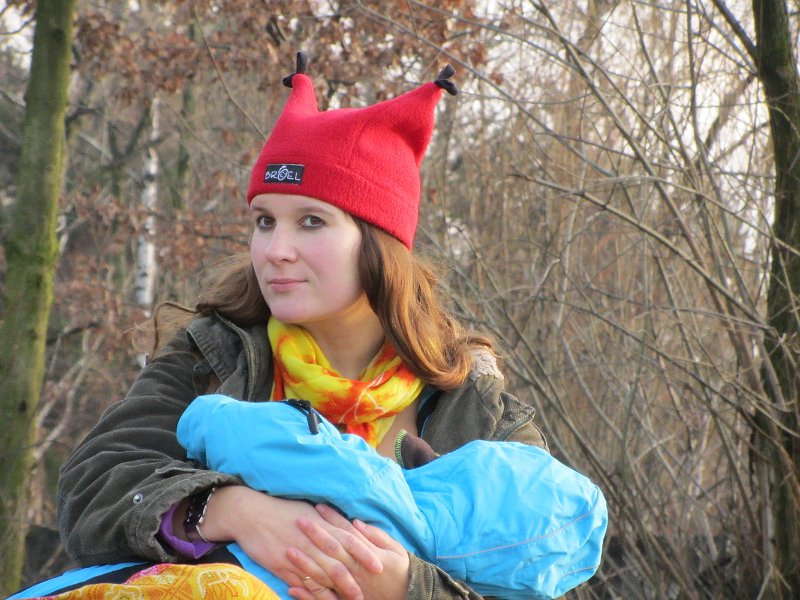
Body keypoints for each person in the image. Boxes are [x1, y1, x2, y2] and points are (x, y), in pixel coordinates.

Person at [46, 52, 596, 600]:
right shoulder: (212, 357)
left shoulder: (473, 404)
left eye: (312, 221)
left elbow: (547, 567)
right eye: (265, 221)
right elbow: (92, 490)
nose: (275, 250)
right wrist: (229, 510)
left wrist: (403, 587)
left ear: (379, 245)